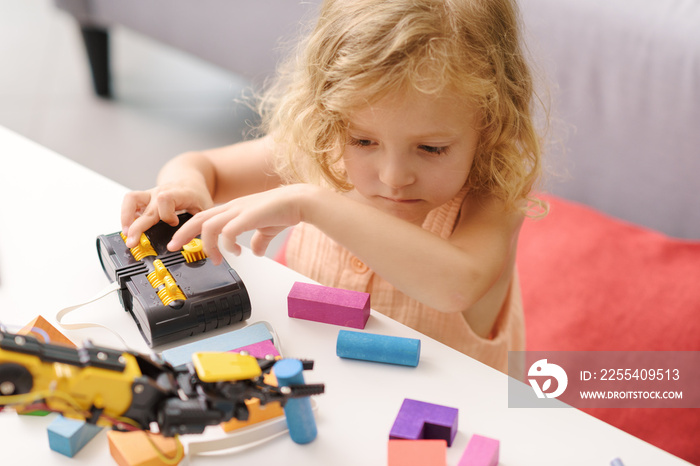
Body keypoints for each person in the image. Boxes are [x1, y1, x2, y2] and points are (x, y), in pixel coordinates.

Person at [121, 0, 547, 373]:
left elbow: (457, 283)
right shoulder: (323, 148)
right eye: (364, 141)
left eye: (432, 149)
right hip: (322, 383)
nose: (394, 176)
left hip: (457, 414)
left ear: (490, 123)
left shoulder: (494, 193)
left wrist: (311, 202)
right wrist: (182, 187)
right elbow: (202, 166)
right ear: (329, 114)